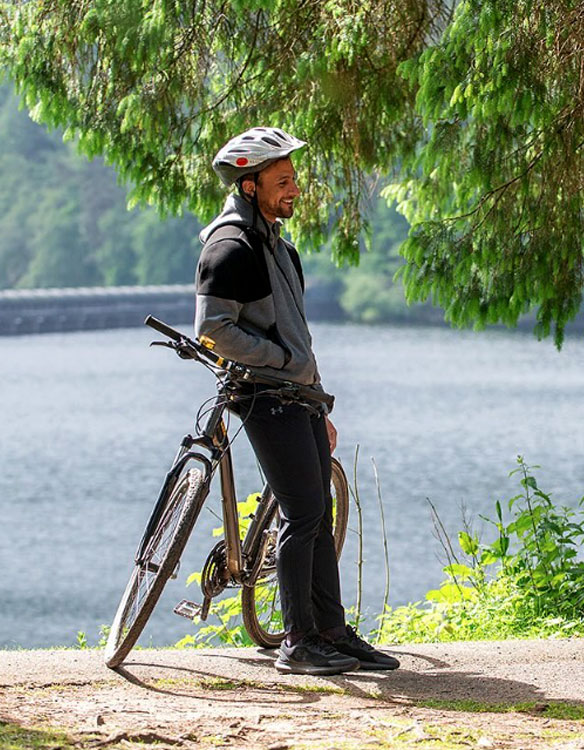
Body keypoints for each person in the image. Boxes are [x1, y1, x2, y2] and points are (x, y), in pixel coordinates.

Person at [196, 126, 399, 675]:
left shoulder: (278, 245)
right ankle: (297, 641)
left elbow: (298, 335)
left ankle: (331, 631)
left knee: (319, 508)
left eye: (294, 179)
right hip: (263, 394)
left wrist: (318, 400)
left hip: (296, 395)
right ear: (249, 185)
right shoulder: (230, 246)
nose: (294, 189)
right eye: (282, 181)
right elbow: (213, 329)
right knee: (302, 511)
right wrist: (283, 363)